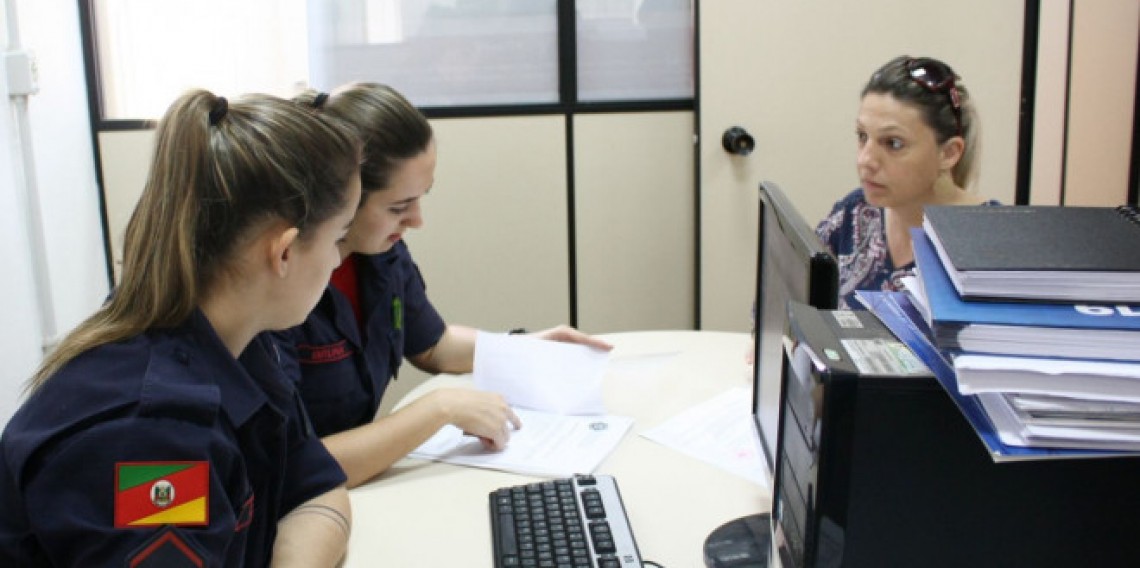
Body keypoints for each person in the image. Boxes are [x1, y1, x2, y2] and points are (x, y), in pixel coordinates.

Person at [0, 90, 363, 566]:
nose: (338, 260)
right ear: (284, 252)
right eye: (339, 238)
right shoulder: (152, 433)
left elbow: (316, 489)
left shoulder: (244, 348)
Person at [278, 83, 612, 488]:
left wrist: (525, 349)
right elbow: (293, 469)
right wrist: (438, 410)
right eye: (399, 207)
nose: (417, 220)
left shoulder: (380, 253)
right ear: (341, 197)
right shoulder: (282, 291)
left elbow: (431, 344)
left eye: (422, 197)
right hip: (312, 498)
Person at [816, 55, 1000, 308]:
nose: (865, 160)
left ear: (948, 153)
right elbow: (794, 298)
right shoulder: (855, 213)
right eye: (862, 136)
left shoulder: (995, 244)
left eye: (893, 143)